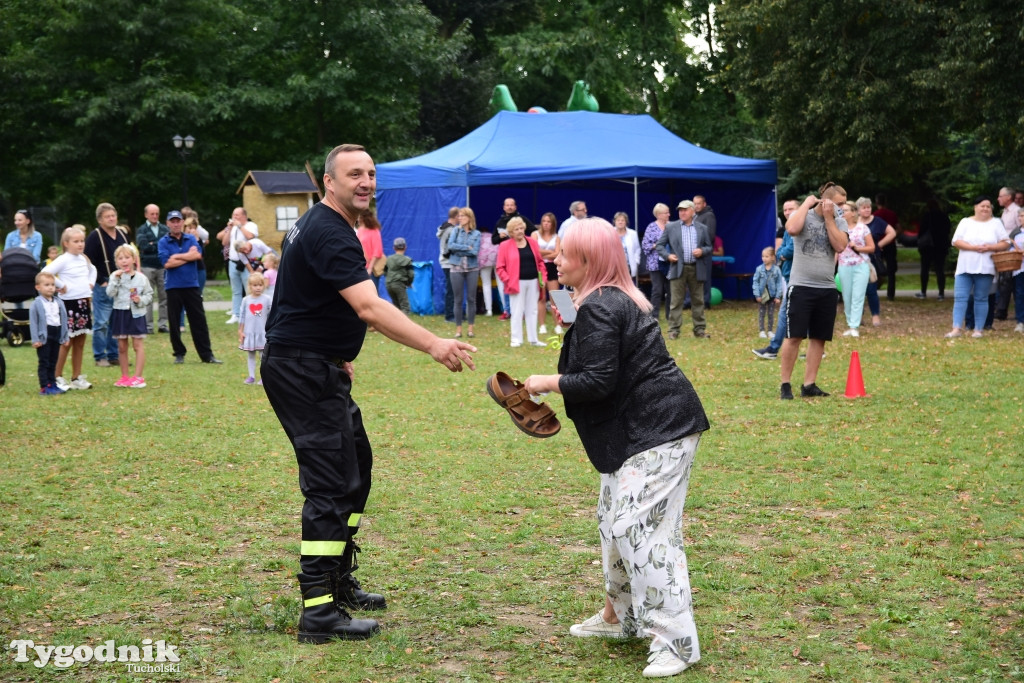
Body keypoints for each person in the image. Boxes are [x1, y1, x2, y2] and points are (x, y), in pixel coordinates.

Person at [261, 143, 475, 644]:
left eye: (371, 174)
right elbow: (369, 308)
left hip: (313, 364)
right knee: (332, 483)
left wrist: (336, 351)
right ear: (329, 183)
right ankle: (318, 611)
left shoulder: (326, 225)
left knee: (356, 466)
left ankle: (337, 578)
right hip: (302, 371)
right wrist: (433, 343)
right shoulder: (330, 231)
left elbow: (300, 297)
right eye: (354, 174)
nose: (366, 182)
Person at [523, 218, 710, 679]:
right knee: (614, 523)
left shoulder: (604, 306)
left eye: (564, 254)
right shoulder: (602, 299)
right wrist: (567, 307)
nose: (556, 258)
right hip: (634, 433)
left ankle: (677, 642)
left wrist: (544, 383)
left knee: (640, 531)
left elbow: (598, 380)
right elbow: (587, 345)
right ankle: (620, 617)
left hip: (658, 429)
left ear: (589, 260)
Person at [779, 183, 849, 399]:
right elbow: (791, 229)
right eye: (838, 204)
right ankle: (785, 385)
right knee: (794, 336)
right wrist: (807, 204)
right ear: (825, 200)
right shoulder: (805, 215)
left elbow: (840, 246)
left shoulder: (838, 220)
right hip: (801, 286)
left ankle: (809, 384)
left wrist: (830, 219)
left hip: (827, 288)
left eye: (843, 205)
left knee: (819, 337)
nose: (841, 208)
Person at [158, 210, 223, 364]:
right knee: (174, 322)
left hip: (191, 285)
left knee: (199, 320)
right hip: (173, 286)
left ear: (182, 222)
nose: (175, 224)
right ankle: (179, 353)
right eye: (172, 221)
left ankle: (207, 355)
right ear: (168, 223)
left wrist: (177, 256)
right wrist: (187, 256)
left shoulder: (190, 238)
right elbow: (167, 263)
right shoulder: (163, 241)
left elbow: (197, 255)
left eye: (178, 221)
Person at [944, 196, 1011, 338]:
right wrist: (973, 248)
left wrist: (991, 247)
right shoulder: (965, 222)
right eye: (982, 206)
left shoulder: (996, 223)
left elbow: (1005, 242)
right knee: (960, 298)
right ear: (975, 207)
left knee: (981, 298)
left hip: (986, 267)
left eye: (988, 206)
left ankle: (978, 329)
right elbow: (956, 241)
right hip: (965, 267)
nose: (985, 209)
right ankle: (956, 328)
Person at [44, 225, 97, 391]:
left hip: (83, 302)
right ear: (66, 243)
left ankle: (76, 377)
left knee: (80, 341)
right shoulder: (63, 259)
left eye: (82, 241)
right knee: (66, 342)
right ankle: (57, 376)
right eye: (76, 241)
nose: (80, 244)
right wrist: (60, 285)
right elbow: (46, 272)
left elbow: (93, 270)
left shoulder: (83, 258)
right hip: (69, 304)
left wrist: (91, 283)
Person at [656, 200, 713, 339]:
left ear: (692, 211)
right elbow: (659, 246)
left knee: (698, 300)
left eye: (685, 210)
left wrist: (702, 251)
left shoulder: (702, 228)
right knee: (676, 301)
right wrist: (668, 256)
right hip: (677, 268)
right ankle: (673, 330)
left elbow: (709, 247)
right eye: (680, 210)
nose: (682, 212)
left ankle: (699, 330)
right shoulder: (671, 227)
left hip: (696, 267)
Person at [84, 202, 130, 367]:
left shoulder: (122, 234)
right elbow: (87, 261)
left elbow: (130, 255)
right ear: (100, 220)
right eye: (107, 217)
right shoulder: (95, 237)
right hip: (103, 285)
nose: (111, 219)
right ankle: (99, 356)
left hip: (121, 285)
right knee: (102, 322)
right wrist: (100, 281)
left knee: (116, 321)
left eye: (113, 215)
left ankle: (114, 355)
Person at [752, 199, 799, 360]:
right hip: (791, 276)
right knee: (794, 314)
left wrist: (782, 253)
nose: (787, 212)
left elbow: (787, 251)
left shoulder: (796, 228)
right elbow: (779, 253)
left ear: (799, 209)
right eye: (785, 210)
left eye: (791, 209)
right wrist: (781, 253)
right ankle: (817, 348)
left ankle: (773, 348)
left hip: (797, 277)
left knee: (786, 314)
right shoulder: (786, 228)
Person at [106, 244, 153, 388]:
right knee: (121, 346)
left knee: (137, 344)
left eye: (127, 257)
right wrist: (116, 280)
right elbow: (110, 293)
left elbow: (149, 294)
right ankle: (124, 376)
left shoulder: (141, 278)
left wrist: (141, 300)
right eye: (120, 258)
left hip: (136, 314)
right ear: (116, 262)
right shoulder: (115, 276)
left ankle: (138, 377)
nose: (124, 261)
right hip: (120, 312)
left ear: (133, 259)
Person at [496, 216, 546, 348]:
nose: (520, 231)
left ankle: (533, 339)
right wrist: (508, 280)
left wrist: (543, 278)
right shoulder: (504, 245)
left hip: (533, 281)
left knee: (532, 310)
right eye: (516, 229)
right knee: (517, 311)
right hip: (516, 283)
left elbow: (540, 262)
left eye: (521, 228)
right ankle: (516, 339)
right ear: (511, 232)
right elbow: (500, 267)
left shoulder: (532, 242)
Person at [836, 201, 875, 337]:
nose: (842, 213)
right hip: (843, 266)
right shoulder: (838, 229)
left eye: (845, 210)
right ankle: (850, 324)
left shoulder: (862, 228)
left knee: (858, 296)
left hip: (860, 265)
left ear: (853, 212)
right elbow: (836, 250)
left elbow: (871, 247)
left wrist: (858, 248)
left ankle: (854, 326)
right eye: (841, 211)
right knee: (847, 296)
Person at [857, 197, 896, 327]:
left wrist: (879, 244)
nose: (867, 209)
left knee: (871, 289)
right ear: (858, 210)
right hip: (856, 260)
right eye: (864, 207)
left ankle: (875, 316)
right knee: (857, 291)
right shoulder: (855, 223)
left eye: (868, 207)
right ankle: (858, 316)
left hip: (872, 259)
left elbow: (892, 232)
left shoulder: (877, 221)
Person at [29, 272, 69, 395]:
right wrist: (36, 339)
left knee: (53, 361)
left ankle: (53, 383)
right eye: (46, 285)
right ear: (38, 287)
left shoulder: (58, 302)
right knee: (44, 361)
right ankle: (44, 386)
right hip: (44, 336)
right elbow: (34, 322)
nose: (50, 287)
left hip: (56, 334)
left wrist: (65, 336)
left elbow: (63, 320)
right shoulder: (37, 304)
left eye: (52, 285)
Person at [218, 207, 258, 324]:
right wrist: (230, 229)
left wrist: (240, 226)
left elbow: (251, 236)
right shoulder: (233, 228)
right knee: (236, 290)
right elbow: (224, 242)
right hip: (233, 262)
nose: (234, 217)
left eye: (237, 215)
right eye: (233, 215)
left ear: (244, 216)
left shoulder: (251, 225)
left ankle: (252, 314)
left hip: (246, 263)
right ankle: (236, 314)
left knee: (249, 289)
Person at [447, 207, 481, 339]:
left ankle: (471, 329)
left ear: (469, 217)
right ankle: (458, 329)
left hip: (472, 268)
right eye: (459, 216)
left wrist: (459, 249)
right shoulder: (455, 230)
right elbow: (451, 246)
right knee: (458, 299)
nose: (459, 218)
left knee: (471, 299)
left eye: (462, 216)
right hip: (456, 267)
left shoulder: (476, 234)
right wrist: (467, 248)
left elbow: (475, 252)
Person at [134, 204, 169, 333]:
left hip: (162, 267)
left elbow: (166, 246)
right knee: (148, 296)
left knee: (164, 296)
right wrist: (157, 244)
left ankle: (162, 324)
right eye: (152, 214)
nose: (155, 216)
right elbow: (143, 246)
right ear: (146, 215)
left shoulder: (164, 229)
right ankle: (148, 325)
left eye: (157, 213)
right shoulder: (142, 230)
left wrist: (152, 244)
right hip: (147, 266)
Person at [238, 271, 271, 384]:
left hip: (262, 333)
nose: (258, 288)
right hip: (249, 333)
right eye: (255, 285)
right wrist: (240, 331)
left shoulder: (267, 299)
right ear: (250, 286)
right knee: (251, 355)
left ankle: (264, 377)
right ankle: (251, 376)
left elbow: (272, 314)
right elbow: (242, 316)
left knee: (263, 356)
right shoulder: (245, 300)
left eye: (260, 285)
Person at [916, 198, 951, 300]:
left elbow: (921, 230)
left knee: (925, 269)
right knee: (940, 269)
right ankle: (941, 293)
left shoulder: (927, 216)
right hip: (940, 245)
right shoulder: (944, 216)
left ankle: (923, 291)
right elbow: (947, 230)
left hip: (927, 246)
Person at [641, 203, 672, 320]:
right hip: (655, 264)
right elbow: (645, 246)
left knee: (671, 291)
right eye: (666, 213)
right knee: (657, 290)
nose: (669, 214)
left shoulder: (672, 226)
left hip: (670, 262)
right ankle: (654, 316)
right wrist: (658, 245)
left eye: (668, 212)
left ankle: (670, 316)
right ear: (659, 215)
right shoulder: (651, 227)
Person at [535, 212, 563, 334]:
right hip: (539, 266)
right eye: (544, 221)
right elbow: (535, 251)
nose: (546, 224)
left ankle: (558, 324)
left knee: (554, 297)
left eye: (548, 221)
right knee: (541, 297)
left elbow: (557, 253)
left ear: (552, 224)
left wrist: (543, 253)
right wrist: (548, 252)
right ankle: (542, 325)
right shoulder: (535, 234)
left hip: (552, 267)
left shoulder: (556, 237)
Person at [994, 187, 1018, 320]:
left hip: (1012, 252)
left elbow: (1018, 231)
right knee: (1003, 281)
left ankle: (1002, 311)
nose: (998, 199)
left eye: (1000, 196)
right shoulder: (1005, 212)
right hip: (1004, 251)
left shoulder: (1015, 211)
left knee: (1007, 281)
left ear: (1008, 197)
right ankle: (1001, 309)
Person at [752, 246, 784, 338]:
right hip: (762, 296)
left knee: (771, 314)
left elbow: (779, 284)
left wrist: (778, 296)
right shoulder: (759, 269)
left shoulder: (777, 270)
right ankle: (762, 330)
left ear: (773, 257)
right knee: (761, 313)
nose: (764, 258)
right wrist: (757, 294)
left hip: (772, 296)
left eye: (766, 256)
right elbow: (755, 282)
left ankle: (770, 331)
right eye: (763, 256)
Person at [873, 193, 900, 301]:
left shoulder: (875, 215)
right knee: (891, 270)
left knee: (875, 268)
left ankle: (873, 291)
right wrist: (893, 236)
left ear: (876, 202)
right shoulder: (892, 214)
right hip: (890, 244)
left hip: (878, 244)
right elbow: (898, 228)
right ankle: (891, 294)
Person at [693, 195, 717, 307]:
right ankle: (694, 301)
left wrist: (699, 246)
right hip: (694, 252)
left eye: (699, 203)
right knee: (695, 278)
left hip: (704, 251)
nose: (696, 206)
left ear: (704, 204)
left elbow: (710, 235)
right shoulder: (695, 216)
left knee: (705, 277)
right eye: (695, 203)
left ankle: (706, 301)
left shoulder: (709, 215)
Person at [437, 207, 459, 322]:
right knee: (451, 290)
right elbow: (448, 247)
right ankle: (449, 315)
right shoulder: (451, 230)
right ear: (456, 216)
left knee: (452, 289)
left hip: (446, 262)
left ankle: (453, 314)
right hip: (448, 262)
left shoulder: (444, 227)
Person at [384, 237, 414, 315]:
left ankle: (394, 324)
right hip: (399, 284)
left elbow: (385, 271)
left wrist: (389, 279)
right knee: (405, 306)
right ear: (405, 247)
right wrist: (409, 283)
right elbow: (411, 274)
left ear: (394, 248)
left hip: (388, 284)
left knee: (396, 306)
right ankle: (403, 325)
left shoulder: (389, 259)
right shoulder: (407, 260)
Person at [357, 210, 385, 292]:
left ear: (363, 218)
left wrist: (370, 268)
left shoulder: (374, 231)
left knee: (372, 292)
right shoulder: (359, 230)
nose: (357, 219)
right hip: (360, 266)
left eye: (359, 217)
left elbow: (377, 251)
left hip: (371, 269)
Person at [476, 224, 499, 317]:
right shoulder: (492, 236)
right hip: (497, 257)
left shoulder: (478, 236)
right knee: (501, 283)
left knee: (486, 284)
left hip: (484, 260)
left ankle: (489, 310)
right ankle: (506, 309)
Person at [613, 211, 641, 282]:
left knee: (627, 286)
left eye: (622, 220)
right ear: (615, 222)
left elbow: (637, 249)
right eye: (618, 220)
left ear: (626, 222)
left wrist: (636, 261)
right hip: (614, 266)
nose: (620, 222)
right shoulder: (610, 233)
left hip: (628, 265)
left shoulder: (633, 233)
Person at [1010, 208, 1024, 333]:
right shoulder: (1015, 233)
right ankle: (1020, 321)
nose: (1022, 218)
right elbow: (1009, 248)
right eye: (1021, 216)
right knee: (1019, 294)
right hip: (1019, 269)